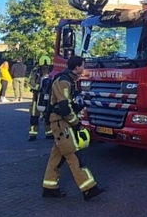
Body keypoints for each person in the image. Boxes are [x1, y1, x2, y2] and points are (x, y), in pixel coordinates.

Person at [42, 56, 102, 201]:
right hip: (61, 123)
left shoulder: (69, 80)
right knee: (73, 155)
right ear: (77, 67)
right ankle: (88, 188)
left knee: (57, 157)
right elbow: (64, 106)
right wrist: (76, 123)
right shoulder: (63, 81)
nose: (84, 68)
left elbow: (69, 103)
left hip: (62, 123)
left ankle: (49, 188)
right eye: (83, 65)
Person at [27, 65, 52, 141]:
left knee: (48, 116)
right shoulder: (35, 72)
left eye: (46, 67)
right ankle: (33, 134)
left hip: (49, 97)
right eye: (44, 67)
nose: (45, 67)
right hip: (37, 97)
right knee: (34, 115)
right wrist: (39, 88)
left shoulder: (52, 71)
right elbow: (30, 83)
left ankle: (49, 133)